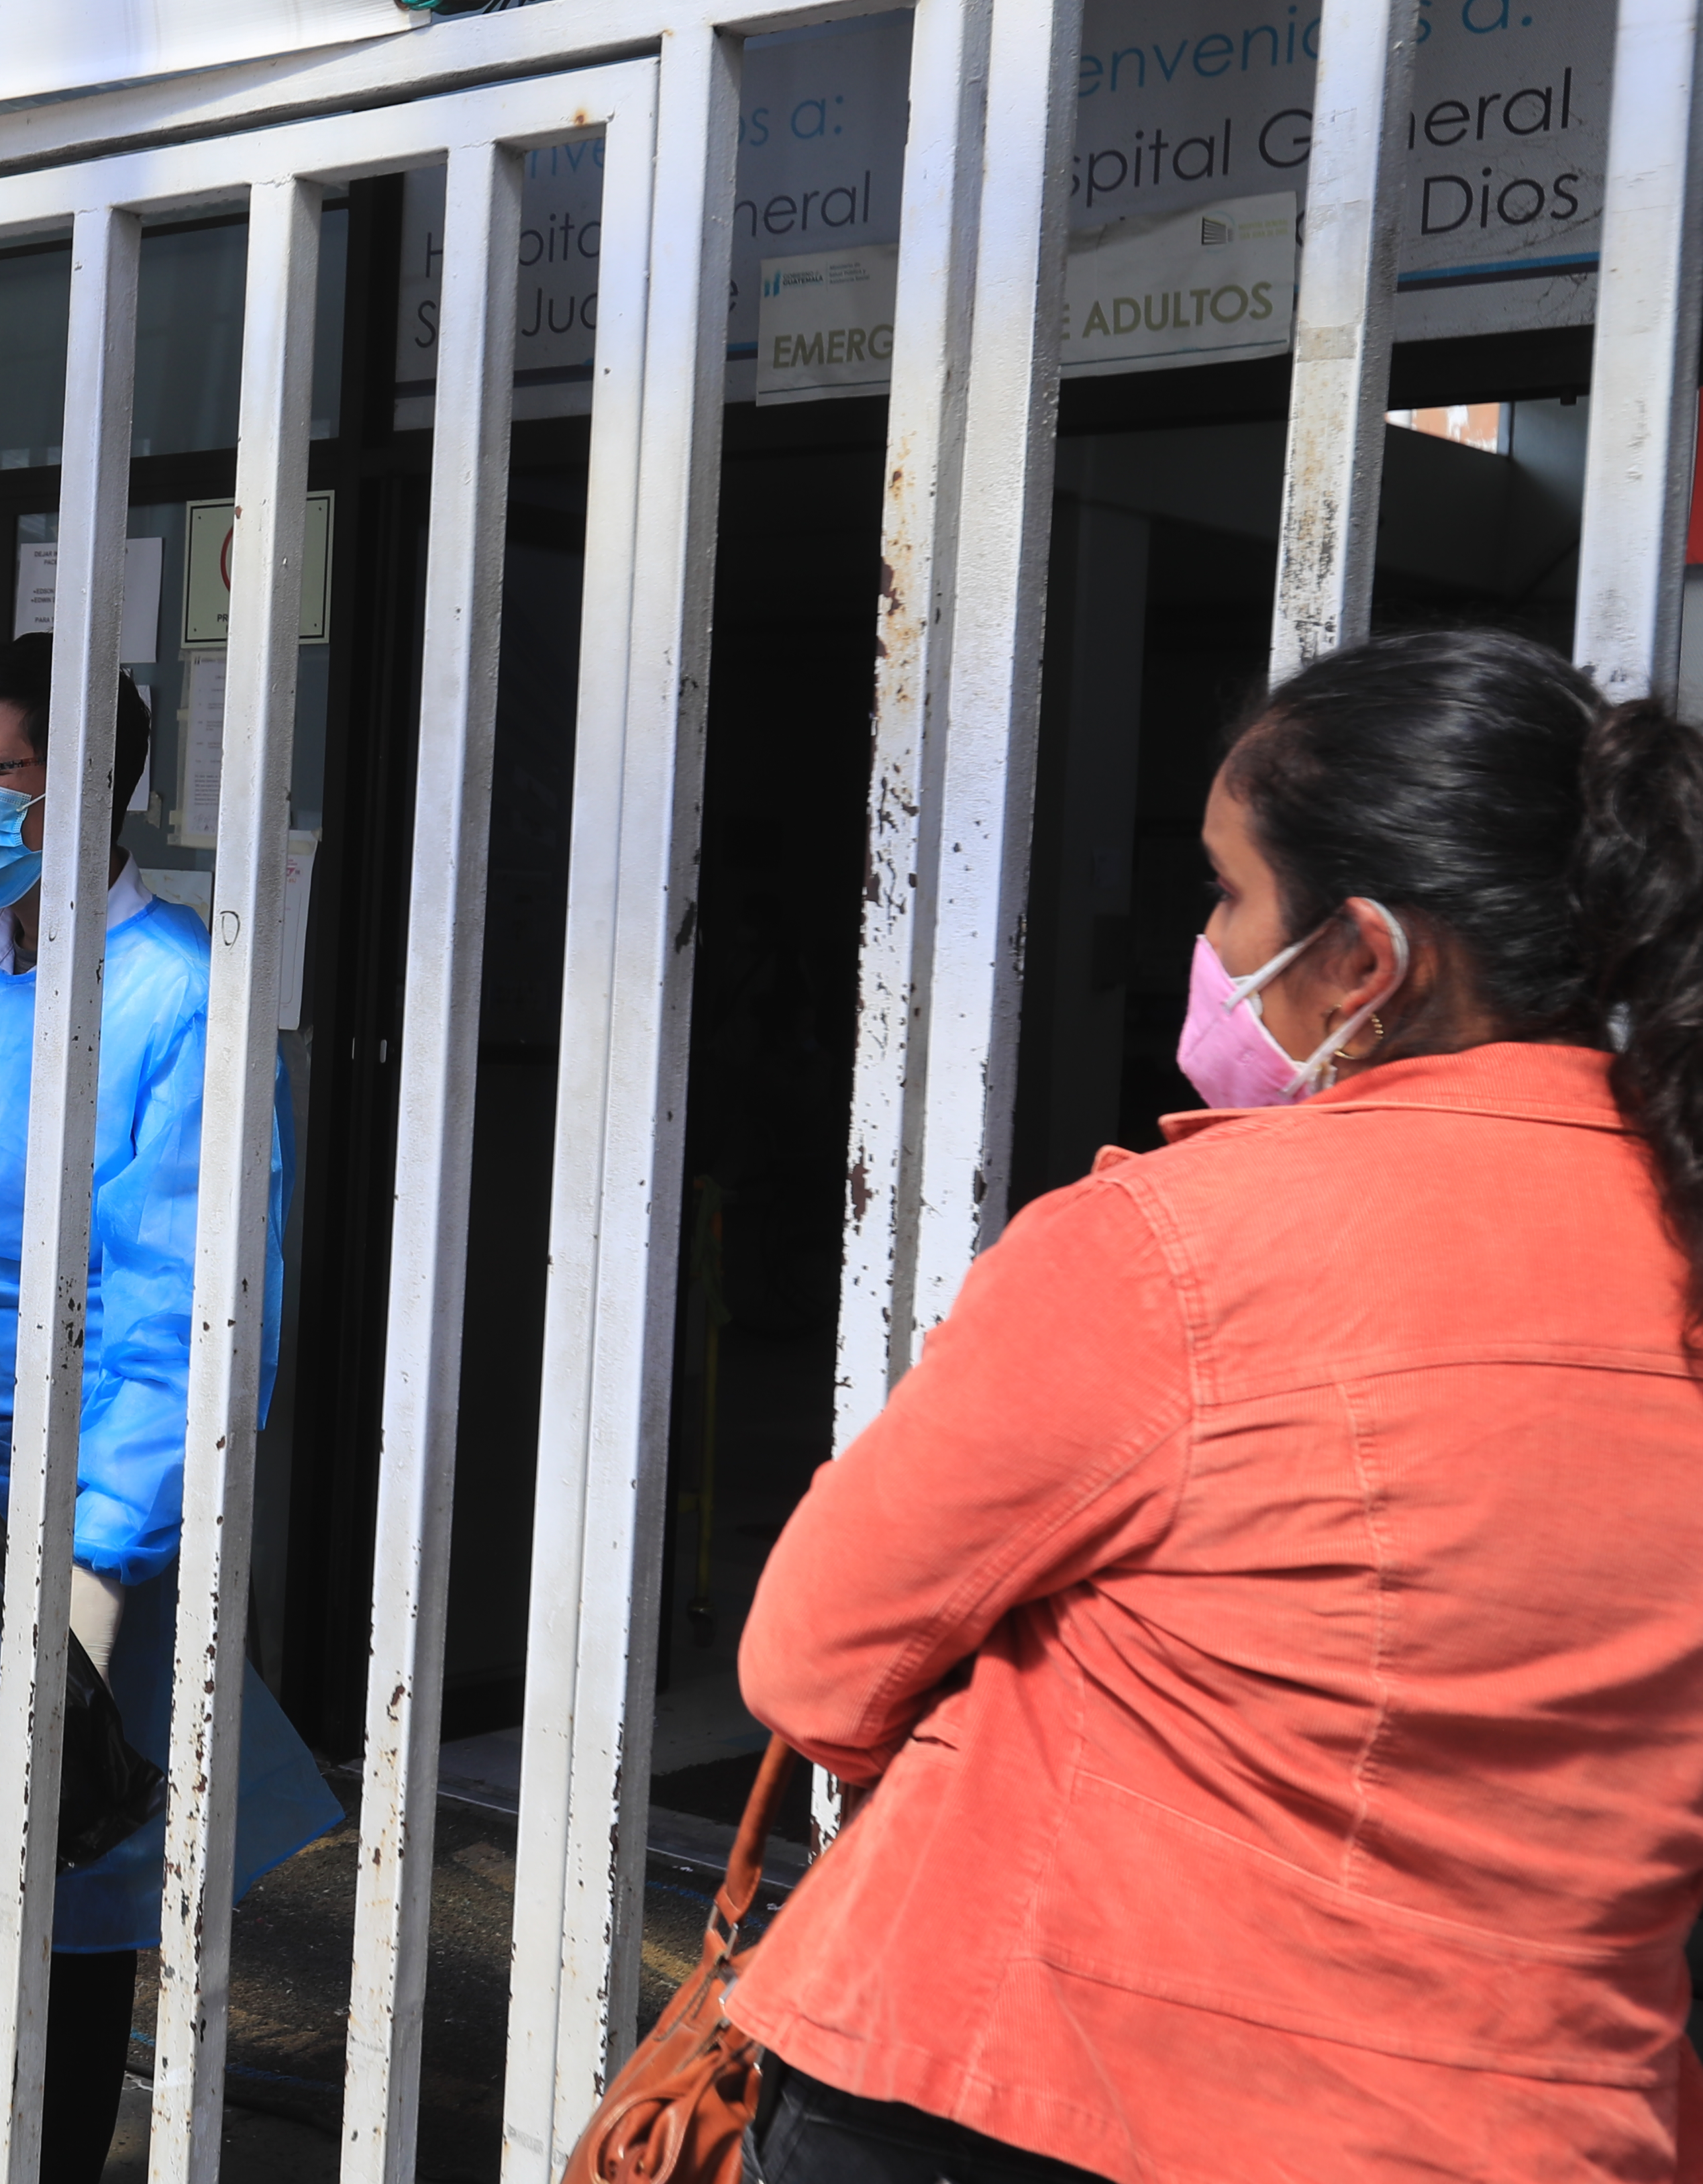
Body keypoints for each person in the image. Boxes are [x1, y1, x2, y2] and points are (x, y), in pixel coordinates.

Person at [729, 630, 1703, 2183]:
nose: (1208, 936)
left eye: (1230, 889)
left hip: (1037, 2096)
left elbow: (815, 1665)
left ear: (1366, 959)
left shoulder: (1167, 1252)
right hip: (1546, 2124)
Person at [0, 631, 340, 2184]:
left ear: (93, 786)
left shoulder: (177, 997)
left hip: (60, 1520)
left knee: (66, 1885)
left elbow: (189, 1317)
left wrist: (99, 1564)